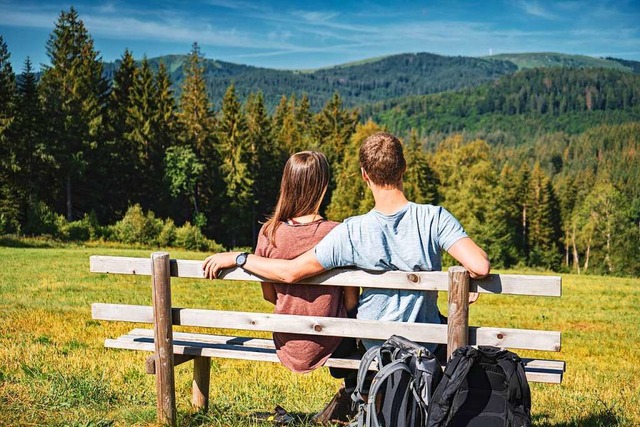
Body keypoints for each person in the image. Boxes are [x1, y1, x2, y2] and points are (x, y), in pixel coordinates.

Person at [203, 132, 490, 422]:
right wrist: (465, 276)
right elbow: (480, 265)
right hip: (425, 343)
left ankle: (361, 397)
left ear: (364, 175)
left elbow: (290, 272)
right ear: (404, 168)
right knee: (445, 325)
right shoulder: (434, 217)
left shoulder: (351, 231)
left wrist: (240, 258)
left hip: (374, 347)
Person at [236, 150, 360, 424]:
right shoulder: (338, 233)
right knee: (361, 330)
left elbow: (270, 296)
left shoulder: (269, 232)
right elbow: (351, 302)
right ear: (323, 186)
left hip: (287, 340)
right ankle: (354, 398)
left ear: (286, 184)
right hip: (334, 343)